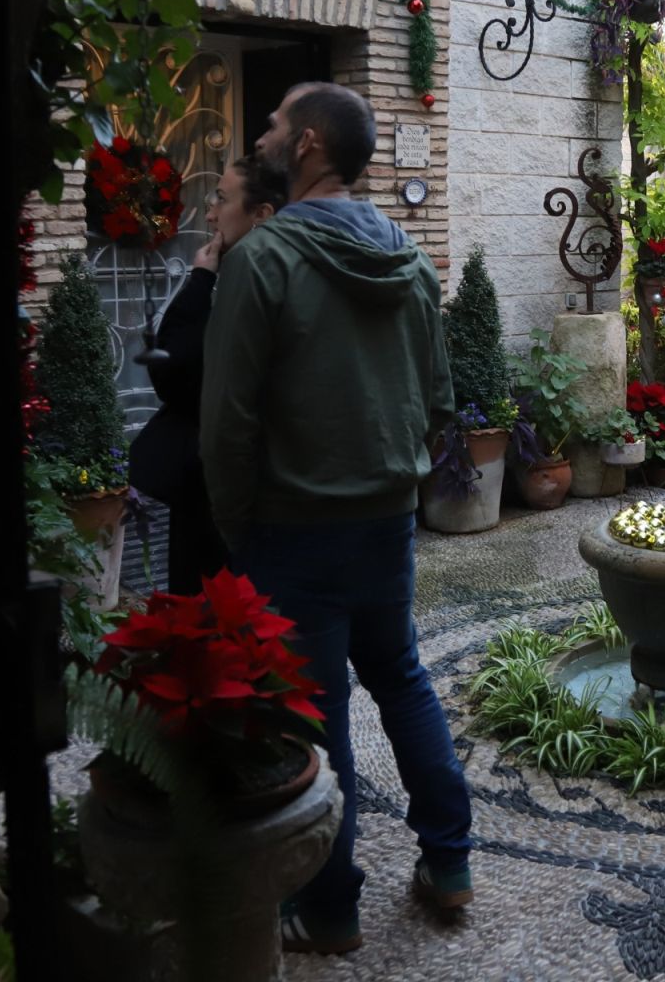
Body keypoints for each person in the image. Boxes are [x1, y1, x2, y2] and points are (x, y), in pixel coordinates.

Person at [200, 82, 472, 955]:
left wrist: (236, 528)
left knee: (315, 719)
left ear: (308, 143)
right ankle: (451, 863)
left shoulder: (262, 258)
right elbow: (439, 398)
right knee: (401, 677)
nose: (266, 134)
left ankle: (329, 908)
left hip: (292, 525)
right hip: (385, 519)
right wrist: (396, 480)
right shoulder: (410, 257)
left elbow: (227, 420)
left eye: (276, 123)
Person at [128, 154, 288, 594]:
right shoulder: (264, 271)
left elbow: (173, 368)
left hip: (225, 491)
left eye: (221, 198)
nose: (211, 212)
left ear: (262, 215)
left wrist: (200, 279)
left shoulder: (249, 282)